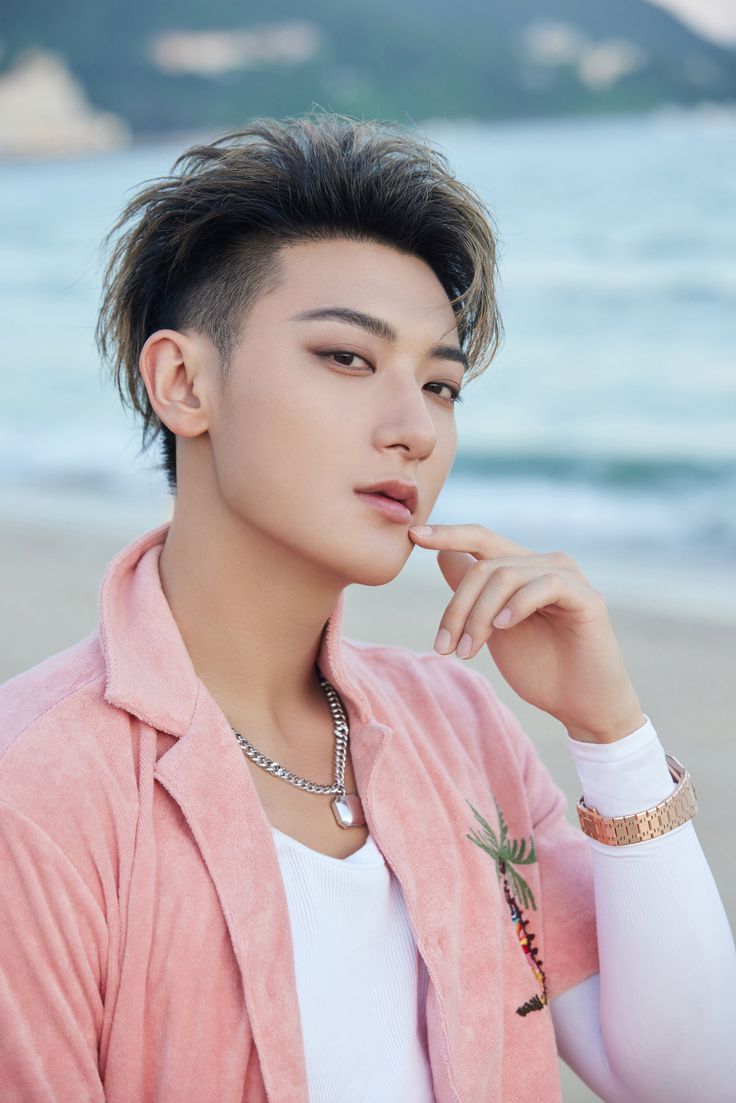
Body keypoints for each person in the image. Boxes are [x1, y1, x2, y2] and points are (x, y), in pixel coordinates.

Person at [0, 112, 733, 1103]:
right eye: (347, 358)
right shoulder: (36, 790)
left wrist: (610, 734)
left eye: (440, 383)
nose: (413, 430)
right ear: (183, 381)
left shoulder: (457, 724)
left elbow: (690, 1076)